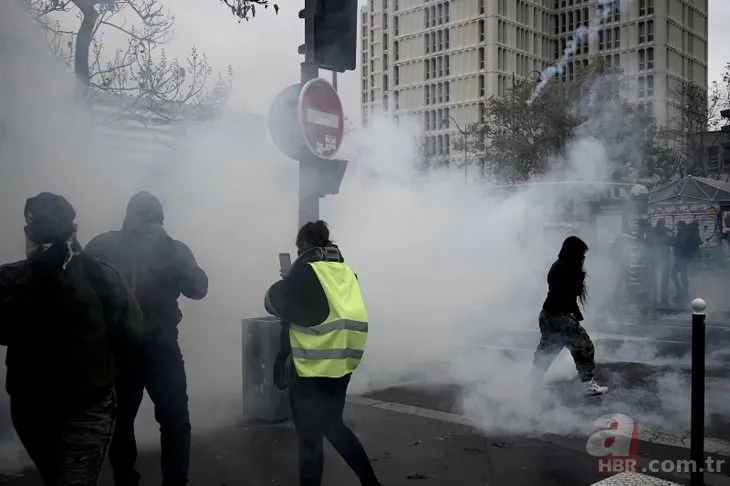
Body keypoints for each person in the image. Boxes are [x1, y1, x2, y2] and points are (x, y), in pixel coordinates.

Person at [0, 192, 143, 485]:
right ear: (74, 229)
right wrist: (106, 374)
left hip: (30, 406)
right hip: (88, 406)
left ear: (28, 231)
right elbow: (130, 330)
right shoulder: (101, 275)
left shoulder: (15, 277)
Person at [84, 191, 208, 486]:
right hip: (157, 349)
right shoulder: (172, 248)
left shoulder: (102, 244)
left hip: (121, 349)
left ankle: (125, 479)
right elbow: (199, 287)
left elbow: (81, 288)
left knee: (121, 420)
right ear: (160, 220)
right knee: (173, 420)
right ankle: (172, 482)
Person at [264, 220, 381, 486]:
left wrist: (286, 282)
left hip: (310, 368)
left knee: (309, 440)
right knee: (333, 425)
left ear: (303, 245)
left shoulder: (304, 272)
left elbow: (274, 302)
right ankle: (371, 482)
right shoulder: (346, 272)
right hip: (340, 366)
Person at [530, 236, 608, 396]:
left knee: (548, 349)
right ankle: (588, 385)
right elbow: (569, 294)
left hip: (549, 315)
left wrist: (576, 315)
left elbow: (569, 297)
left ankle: (533, 381)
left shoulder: (560, 266)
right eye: (581, 253)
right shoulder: (565, 269)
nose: (583, 257)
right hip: (558, 317)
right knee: (584, 347)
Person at [649, 219, 673, 307]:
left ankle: (655, 298)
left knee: (655, 278)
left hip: (656, 256)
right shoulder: (667, 231)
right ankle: (663, 298)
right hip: (663, 256)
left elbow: (648, 243)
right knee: (664, 279)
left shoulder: (652, 231)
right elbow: (672, 242)